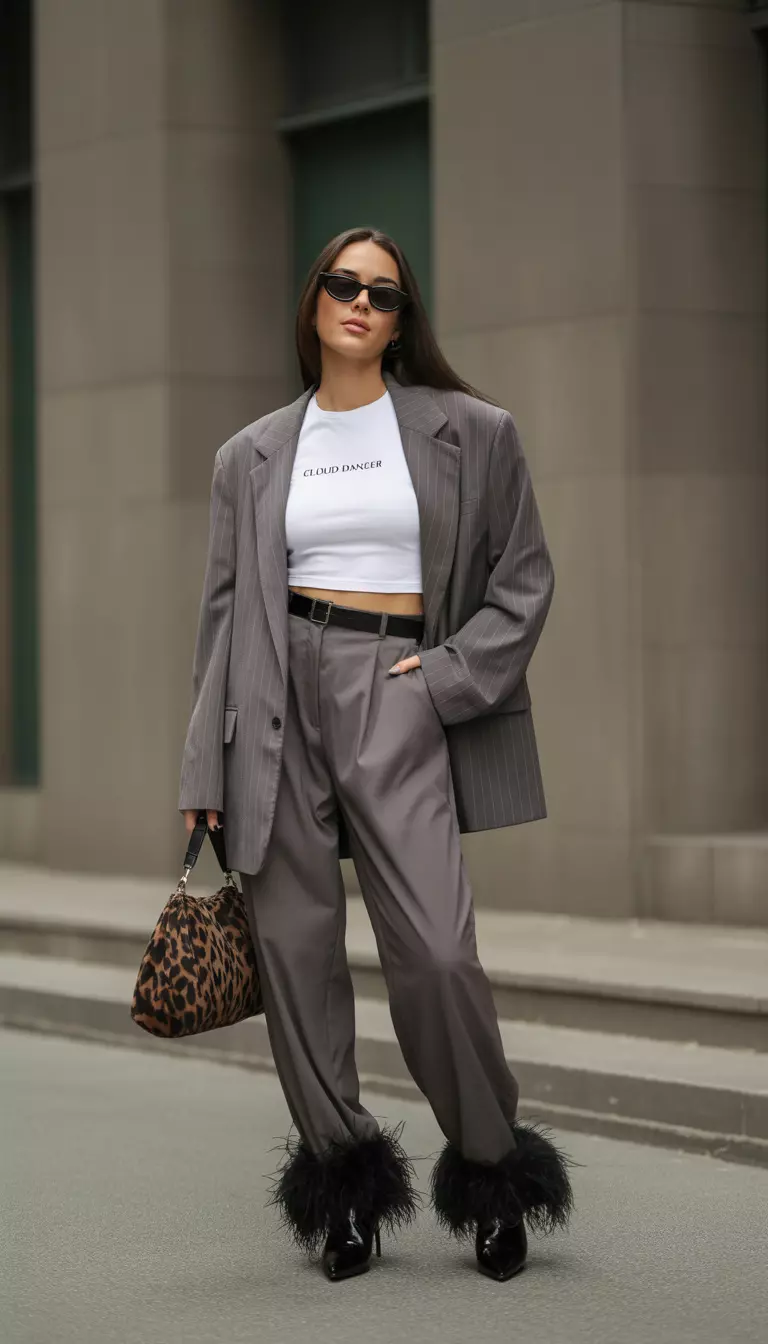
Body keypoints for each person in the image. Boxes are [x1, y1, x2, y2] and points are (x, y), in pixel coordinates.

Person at [178, 226, 573, 1283]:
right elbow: (222, 622)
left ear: (404, 320)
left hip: (399, 688)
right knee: (296, 957)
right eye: (344, 286)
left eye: (384, 295)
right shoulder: (250, 454)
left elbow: (524, 581)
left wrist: (445, 681)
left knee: (438, 953)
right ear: (313, 303)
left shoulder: (471, 431)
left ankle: (492, 1171)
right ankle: (341, 1180)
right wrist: (199, 773)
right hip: (271, 698)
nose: (361, 304)